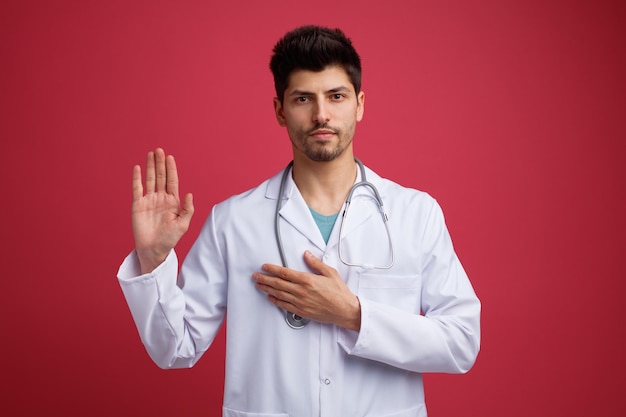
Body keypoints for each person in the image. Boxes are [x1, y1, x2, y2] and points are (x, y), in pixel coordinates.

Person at [118, 25, 481, 417]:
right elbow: (175, 348)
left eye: (336, 96)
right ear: (280, 110)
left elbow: (461, 342)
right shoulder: (234, 221)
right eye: (303, 98)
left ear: (359, 104)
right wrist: (154, 259)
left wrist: (353, 315)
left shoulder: (416, 214)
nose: (321, 114)